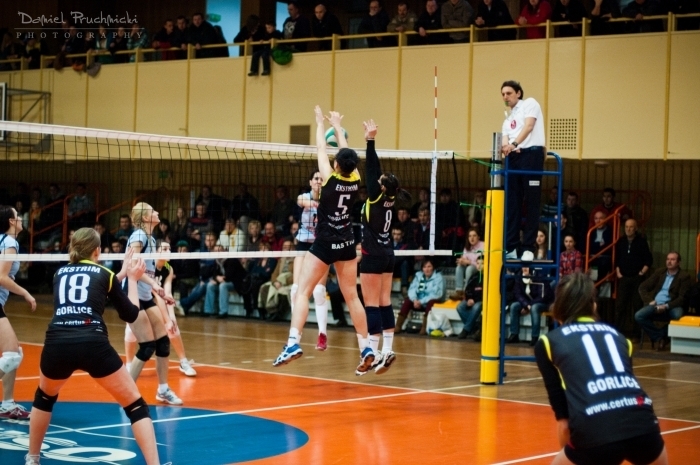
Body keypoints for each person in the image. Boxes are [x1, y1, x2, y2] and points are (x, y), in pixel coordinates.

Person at [25, 228, 163, 465]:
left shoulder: (59, 274)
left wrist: (121, 274)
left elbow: (92, 287)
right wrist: (131, 279)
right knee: (135, 405)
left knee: (44, 397)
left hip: (57, 344)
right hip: (93, 344)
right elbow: (130, 314)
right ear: (97, 250)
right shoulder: (105, 274)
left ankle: (32, 458)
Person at [274, 106, 372, 375]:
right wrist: (338, 127)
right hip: (347, 242)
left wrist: (320, 123)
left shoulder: (328, 179)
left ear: (336, 164)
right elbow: (346, 153)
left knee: (303, 291)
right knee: (352, 297)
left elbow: (320, 147)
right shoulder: (355, 179)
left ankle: (293, 343)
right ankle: (366, 347)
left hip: (325, 242)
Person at [535, 272, 668, 465]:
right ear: (594, 306)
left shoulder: (548, 342)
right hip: (644, 426)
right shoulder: (620, 338)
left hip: (596, 431)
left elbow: (564, 424)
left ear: (558, 307)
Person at [359, 118, 411, 375]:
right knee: (384, 302)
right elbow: (376, 171)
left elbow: (371, 167)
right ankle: (387, 349)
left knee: (371, 305)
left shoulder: (375, 197)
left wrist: (370, 141)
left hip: (372, 255)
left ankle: (373, 351)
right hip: (389, 253)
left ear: (380, 186)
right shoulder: (391, 197)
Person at [126, 203, 183, 405]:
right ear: (145, 217)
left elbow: (146, 272)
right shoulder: (139, 236)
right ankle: (126, 392)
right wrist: (154, 285)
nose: (157, 212)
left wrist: (157, 290)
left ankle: (163, 390)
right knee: (147, 345)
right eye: (153, 211)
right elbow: (132, 266)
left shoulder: (150, 239)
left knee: (163, 341)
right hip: (131, 294)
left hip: (144, 294)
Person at [124, 240, 196, 377]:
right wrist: (167, 319)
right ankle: (128, 364)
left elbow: (167, 294)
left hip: (157, 302)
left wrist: (172, 317)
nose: (169, 251)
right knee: (130, 330)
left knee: (173, 328)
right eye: (164, 249)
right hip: (141, 300)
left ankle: (183, 362)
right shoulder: (148, 266)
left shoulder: (169, 269)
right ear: (156, 251)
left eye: (169, 248)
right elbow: (156, 294)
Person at [501, 80, 546, 259]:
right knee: (513, 203)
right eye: (503, 94)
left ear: (518, 93)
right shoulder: (507, 119)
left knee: (532, 202)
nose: (505, 97)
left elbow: (529, 126)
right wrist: (508, 147)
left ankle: (528, 247)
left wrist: (514, 144)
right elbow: (505, 141)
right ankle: (512, 247)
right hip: (514, 159)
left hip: (531, 156)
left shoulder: (530, 103)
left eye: (509, 93)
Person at [0, 205, 36, 420]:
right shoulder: (10, 243)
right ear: (12, 221)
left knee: (11, 353)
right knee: (12, 355)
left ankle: (7, 404)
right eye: (18, 216)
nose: (22, 218)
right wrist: (26, 293)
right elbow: (2, 277)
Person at [290, 170, 330, 349]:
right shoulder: (304, 197)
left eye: (322, 179)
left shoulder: (329, 199)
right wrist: (317, 203)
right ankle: (295, 333)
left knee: (319, 291)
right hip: (303, 245)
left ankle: (322, 335)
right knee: (295, 290)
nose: (319, 181)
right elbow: (301, 201)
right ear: (311, 182)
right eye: (316, 179)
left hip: (321, 246)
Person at [635, 251, 692, 351]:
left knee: (678, 315)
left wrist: (666, 306)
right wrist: (649, 300)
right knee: (639, 316)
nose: (669, 262)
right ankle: (660, 337)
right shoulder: (660, 272)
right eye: (668, 259)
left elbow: (682, 298)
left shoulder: (684, 276)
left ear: (678, 262)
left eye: (672, 259)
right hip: (655, 304)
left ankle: (662, 337)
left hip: (672, 305)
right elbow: (642, 287)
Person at [506, 251, 554, 345]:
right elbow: (517, 293)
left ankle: (535, 337)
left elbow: (542, 296)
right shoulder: (519, 275)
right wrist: (526, 305)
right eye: (523, 265)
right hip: (528, 302)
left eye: (527, 265)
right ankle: (514, 334)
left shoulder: (539, 275)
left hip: (543, 303)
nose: (525, 268)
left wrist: (529, 305)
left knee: (534, 308)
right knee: (514, 306)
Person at [614, 219, 652, 334]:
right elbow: (617, 259)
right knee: (620, 306)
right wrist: (618, 273)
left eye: (631, 227)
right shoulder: (621, 241)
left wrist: (641, 273)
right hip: (623, 278)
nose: (628, 229)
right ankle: (618, 332)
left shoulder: (641, 242)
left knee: (637, 305)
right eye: (626, 227)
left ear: (636, 228)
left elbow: (648, 260)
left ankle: (637, 333)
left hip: (637, 278)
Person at [395, 258, 445, 335]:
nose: (427, 269)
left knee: (432, 302)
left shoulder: (438, 277)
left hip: (429, 302)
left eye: (429, 267)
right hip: (418, 301)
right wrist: (414, 300)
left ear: (433, 267)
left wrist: (421, 301)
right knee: (408, 301)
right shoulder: (418, 275)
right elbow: (412, 289)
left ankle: (424, 328)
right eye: (424, 267)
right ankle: (398, 326)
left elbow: (436, 294)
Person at [456, 256, 484, 339]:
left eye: (482, 263)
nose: (479, 265)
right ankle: (475, 328)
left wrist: (474, 300)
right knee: (460, 307)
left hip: (482, 301)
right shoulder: (474, 276)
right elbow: (468, 289)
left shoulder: (489, 277)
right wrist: (469, 299)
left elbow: (484, 293)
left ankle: (466, 330)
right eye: (478, 263)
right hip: (473, 300)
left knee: (476, 306)